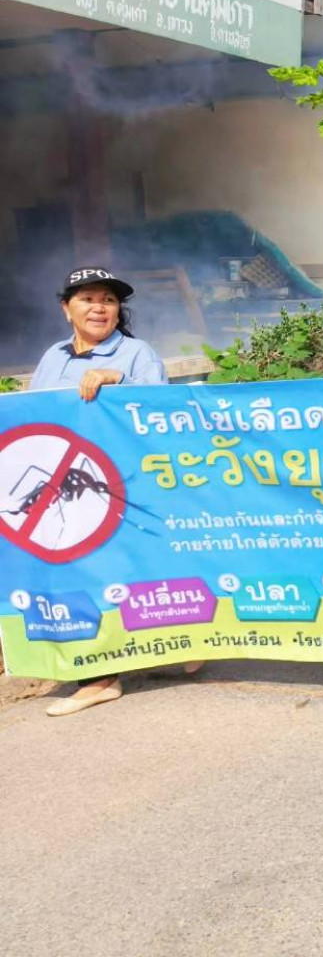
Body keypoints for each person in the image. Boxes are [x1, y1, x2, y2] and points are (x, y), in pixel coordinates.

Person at [29, 268, 195, 716]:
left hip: (125, 485)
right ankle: (100, 676)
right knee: (81, 574)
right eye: (87, 299)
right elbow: (33, 415)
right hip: (66, 488)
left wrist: (117, 379)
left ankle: (177, 644)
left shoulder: (136, 353)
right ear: (66, 309)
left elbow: (163, 410)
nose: (99, 308)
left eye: (108, 299)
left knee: (134, 570)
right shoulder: (53, 357)